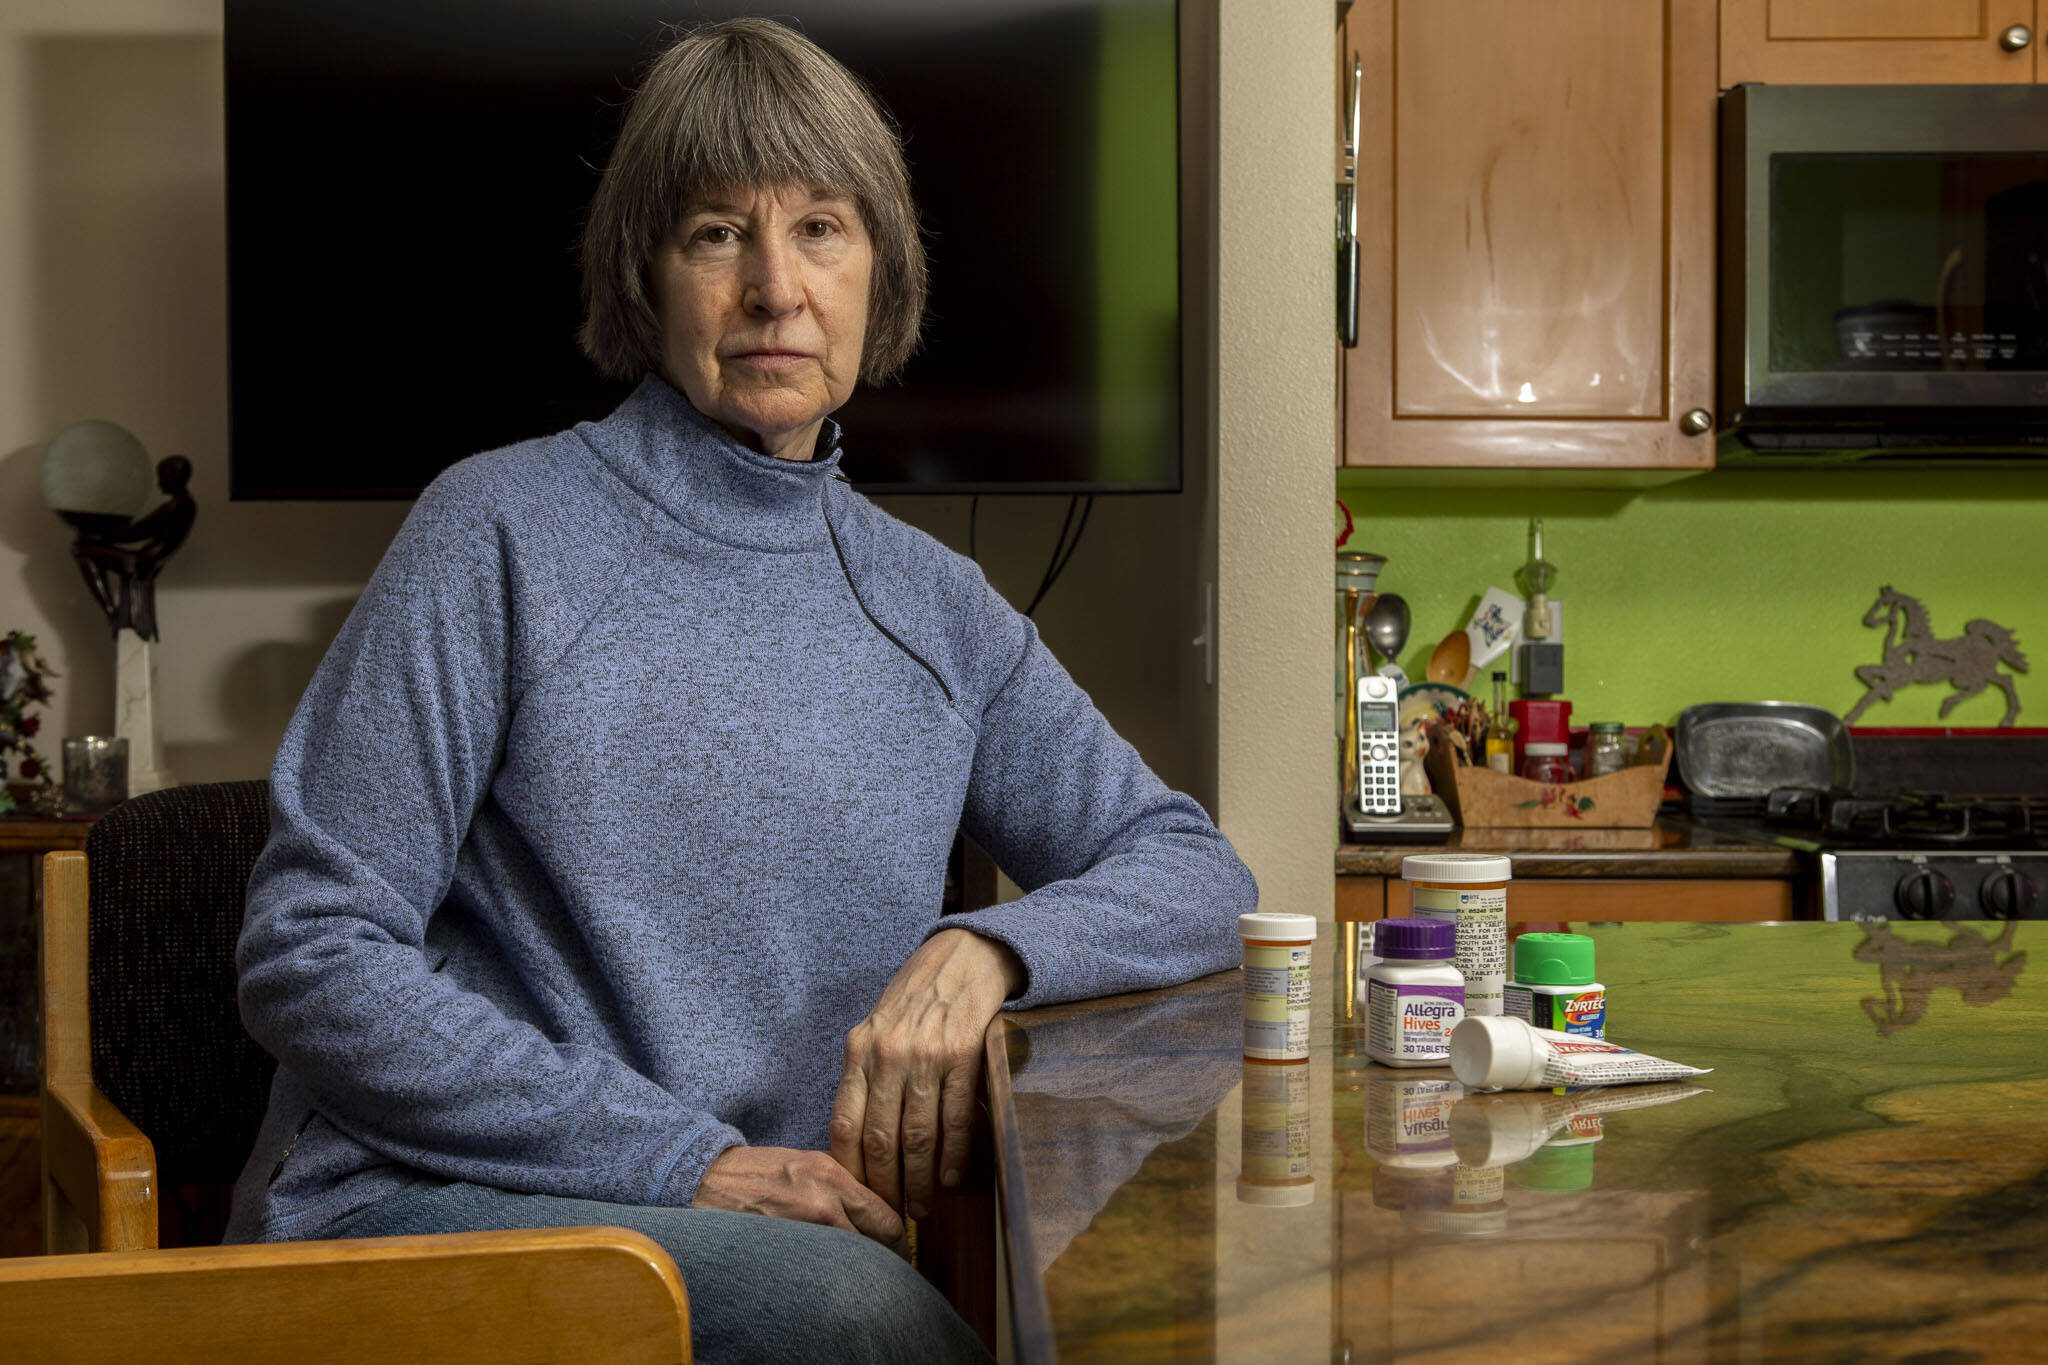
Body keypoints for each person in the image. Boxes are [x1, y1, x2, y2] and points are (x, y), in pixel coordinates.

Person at [225, 18, 1255, 1363]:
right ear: (646, 278)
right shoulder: (494, 531)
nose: (776, 287)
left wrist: (992, 947)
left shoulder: (933, 605)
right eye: (718, 232)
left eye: (821, 228)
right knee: (876, 1328)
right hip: (443, 1205)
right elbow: (309, 953)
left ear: (878, 274)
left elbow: (1197, 872)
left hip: (756, 1233)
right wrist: (682, 1158)